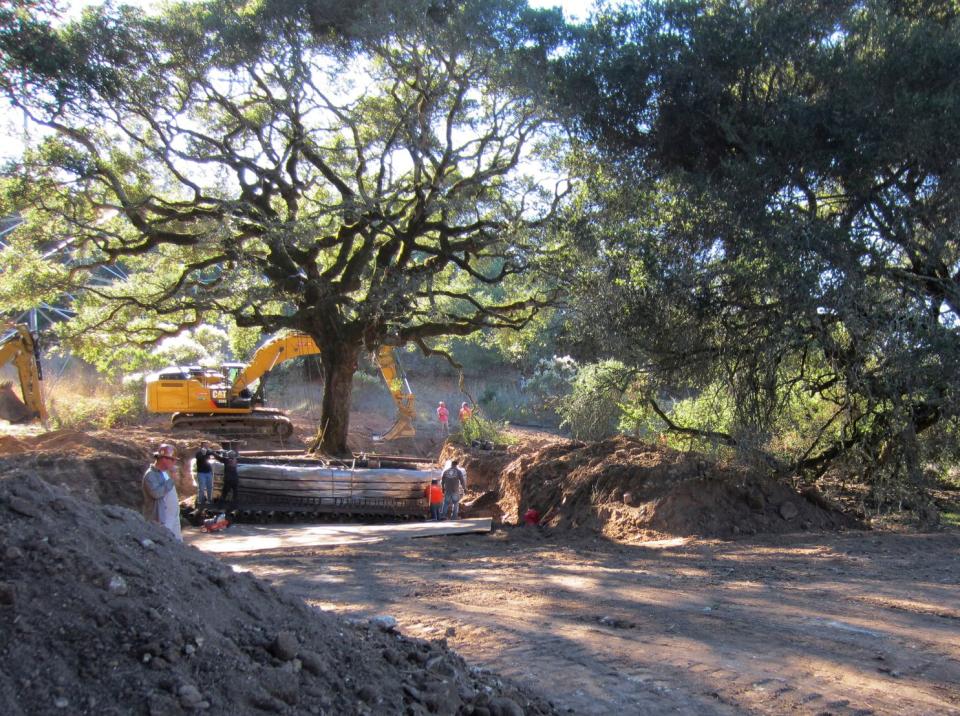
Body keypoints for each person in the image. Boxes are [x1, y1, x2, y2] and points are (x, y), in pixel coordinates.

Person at [142, 443, 183, 541]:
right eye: (172, 460)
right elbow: (156, 494)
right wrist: (171, 480)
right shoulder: (150, 475)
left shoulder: (163, 473)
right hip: (162, 519)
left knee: (177, 545)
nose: (174, 463)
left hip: (172, 517)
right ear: (164, 459)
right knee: (165, 542)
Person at [194, 441, 214, 506]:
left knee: (209, 487)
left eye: (207, 445)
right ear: (201, 446)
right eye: (204, 445)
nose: (206, 447)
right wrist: (204, 454)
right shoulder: (198, 453)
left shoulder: (208, 452)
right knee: (201, 488)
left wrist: (209, 452)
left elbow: (213, 453)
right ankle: (200, 501)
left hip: (208, 472)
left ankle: (209, 500)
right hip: (201, 473)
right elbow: (199, 457)